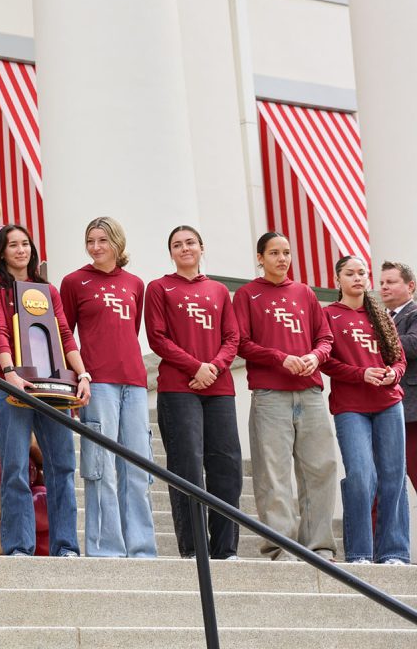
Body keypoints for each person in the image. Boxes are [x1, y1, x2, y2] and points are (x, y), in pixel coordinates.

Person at [0, 224, 91, 557]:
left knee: (62, 466)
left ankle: (66, 547)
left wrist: (83, 374)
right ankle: (19, 548)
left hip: (54, 387)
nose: (20, 250)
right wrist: (9, 372)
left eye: (25, 244)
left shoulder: (47, 290)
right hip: (12, 386)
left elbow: (63, 335)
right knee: (14, 467)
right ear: (2, 252)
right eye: (12, 245)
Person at [232, 232, 336, 560]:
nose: (282, 258)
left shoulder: (305, 293)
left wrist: (316, 357)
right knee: (273, 473)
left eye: (287, 252)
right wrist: (280, 358)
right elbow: (241, 342)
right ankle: (282, 548)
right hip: (270, 395)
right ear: (260, 258)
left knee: (321, 468)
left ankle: (319, 547)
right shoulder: (247, 295)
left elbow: (325, 337)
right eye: (274, 253)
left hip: (310, 393)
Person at [59, 216, 156, 558]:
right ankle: (105, 549)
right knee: (101, 468)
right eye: (90, 241)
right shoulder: (73, 282)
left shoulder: (135, 284)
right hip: (97, 384)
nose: (96, 247)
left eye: (103, 240)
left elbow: (133, 329)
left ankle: (142, 549)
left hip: (134, 383)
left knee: (138, 468)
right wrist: (76, 380)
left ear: (117, 243)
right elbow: (64, 335)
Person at [144, 225, 242, 560]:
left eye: (190, 243)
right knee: (187, 468)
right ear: (170, 252)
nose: (184, 248)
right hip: (177, 389)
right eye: (177, 244)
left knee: (227, 467)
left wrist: (212, 367)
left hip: (219, 389)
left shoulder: (218, 290)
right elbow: (157, 338)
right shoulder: (159, 288)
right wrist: (195, 367)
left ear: (202, 248)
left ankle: (225, 548)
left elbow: (232, 338)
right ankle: (194, 549)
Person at [322, 255, 409, 565]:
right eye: (350, 273)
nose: (357, 278)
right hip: (350, 406)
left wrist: (392, 374)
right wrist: (361, 374)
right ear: (337, 280)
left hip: (389, 403)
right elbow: (325, 360)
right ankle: (359, 552)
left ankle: (394, 552)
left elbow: (399, 359)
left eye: (362, 273)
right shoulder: (328, 315)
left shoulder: (382, 316)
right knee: (360, 475)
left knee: (393, 476)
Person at [377, 260, 417, 494]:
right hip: (384, 407)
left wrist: (374, 344)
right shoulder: (380, 317)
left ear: (410, 286)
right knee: (387, 479)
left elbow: (413, 344)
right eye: (381, 283)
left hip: (412, 410)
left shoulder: (414, 314)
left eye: (391, 282)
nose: (384, 287)